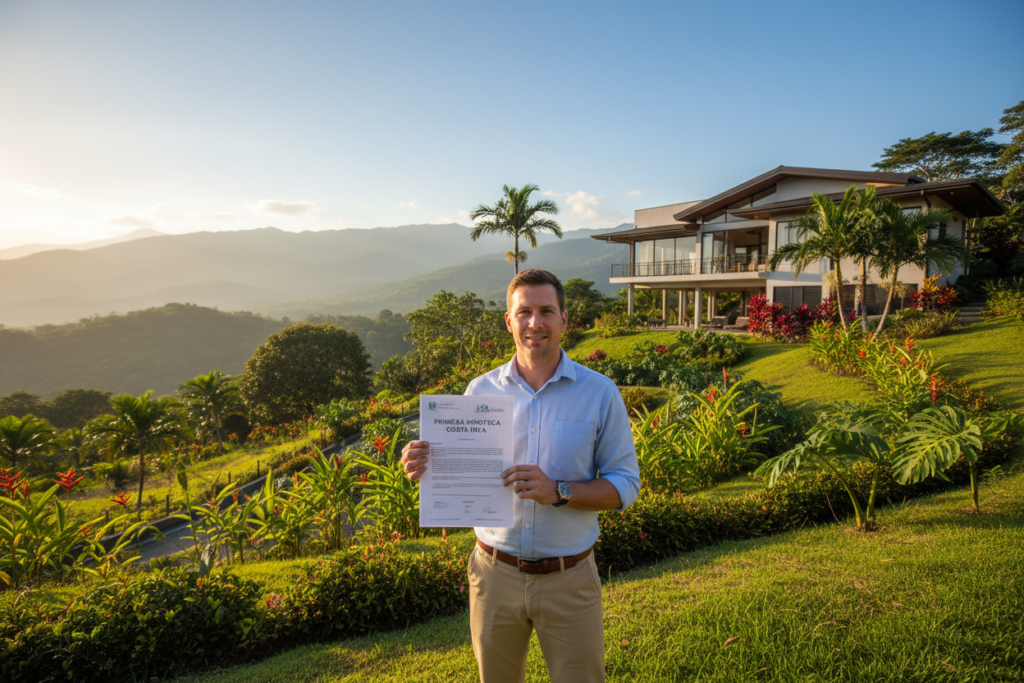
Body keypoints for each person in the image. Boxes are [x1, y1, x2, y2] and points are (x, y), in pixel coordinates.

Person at [401, 268, 640, 683]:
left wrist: (559, 491)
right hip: (493, 575)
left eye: (546, 311)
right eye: (524, 312)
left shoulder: (599, 393)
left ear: (564, 319)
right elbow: (464, 466)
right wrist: (426, 463)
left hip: (569, 580)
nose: (535, 322)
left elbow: (626, 485)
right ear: (508, 321)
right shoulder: (480, 392)